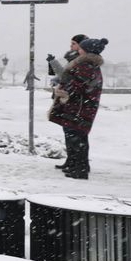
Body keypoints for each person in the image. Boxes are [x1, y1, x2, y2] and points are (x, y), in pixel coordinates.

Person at [48, 36, 106, 179]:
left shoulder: (86, 65)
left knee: (77, 137)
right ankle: (76, 166)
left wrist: (65, 90)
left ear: (86, 51)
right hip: (79, 106)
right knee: (76, 137)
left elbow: (78, 86)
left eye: (80, 47)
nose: (77, 49)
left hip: (79, 107)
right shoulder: (87, 64)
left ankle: (79, 169)